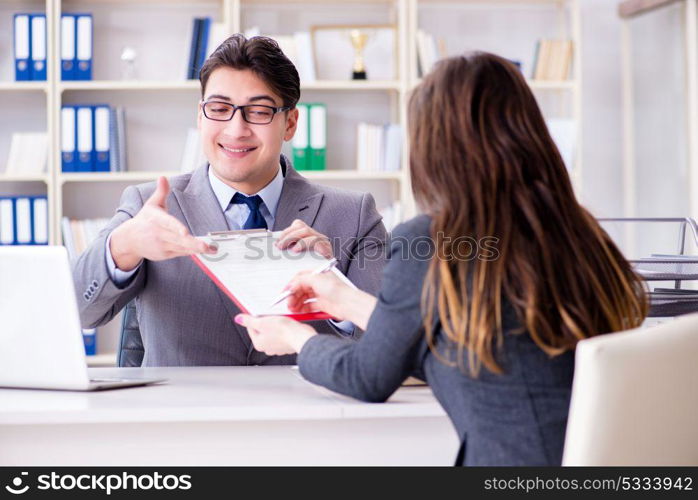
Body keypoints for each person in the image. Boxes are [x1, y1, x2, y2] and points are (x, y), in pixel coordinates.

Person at [235, 52, 648, 465]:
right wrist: (343, 299)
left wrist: (294, 338)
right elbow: (437, 326)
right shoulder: (577, 231)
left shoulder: (430, 239)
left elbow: (367, 376)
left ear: (434, 146)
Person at [72, 35, 387, 367]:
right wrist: (124, 246)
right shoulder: (149, 206)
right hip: (186, 414)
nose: (236, 130)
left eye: (259, 111)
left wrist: (336, 292)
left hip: (305, 412)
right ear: (200, 116)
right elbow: (79, 311)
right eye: (220, 109)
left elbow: (392, 347)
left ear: (290, 123)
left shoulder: (353, 215)